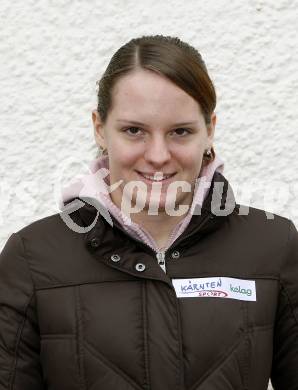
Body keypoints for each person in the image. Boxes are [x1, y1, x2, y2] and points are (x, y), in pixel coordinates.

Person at [0, 34, 297, 390]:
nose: (157, 155)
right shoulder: (33, 259)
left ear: (210, 131)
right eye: (134, 131)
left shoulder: (274, 247)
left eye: (181, 132)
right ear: (100, 129)